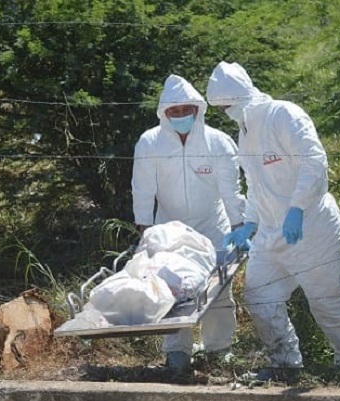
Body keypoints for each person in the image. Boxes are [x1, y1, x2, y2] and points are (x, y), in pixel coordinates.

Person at [206, 61, 340, 381]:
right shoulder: (245, 132)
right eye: (220, 108)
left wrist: (297, 208)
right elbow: (257, 186)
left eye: (226, 105)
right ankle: (285, 363)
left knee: (327, 301)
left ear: (242, 96)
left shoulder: (284, 115)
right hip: (270, 233)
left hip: (311, 227)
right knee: (260, 297)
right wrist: (249, 223)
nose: (225, 112)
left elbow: (314, 162)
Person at [131, 74, 246, 377]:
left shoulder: (218, 142)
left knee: (218, 291)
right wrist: (145, 232)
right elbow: (142, 189)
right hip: (169, 228)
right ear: (164, 113)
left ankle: (219, 350)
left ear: (197, 109)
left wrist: (239, 225)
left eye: (186, 110)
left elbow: (231, 190)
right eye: (175, 111)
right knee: (172, 290)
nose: (181, 115)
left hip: (213, 227)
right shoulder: (150, 142)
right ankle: (177, 353)